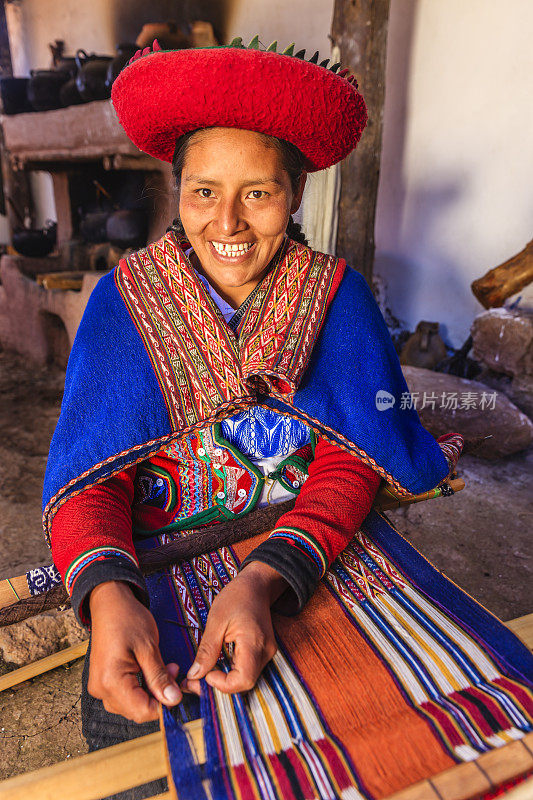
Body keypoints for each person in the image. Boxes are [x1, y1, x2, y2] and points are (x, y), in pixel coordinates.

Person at [42, 37, 454, 794]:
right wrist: (109, 595)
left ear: (295, 193)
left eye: (257, 193)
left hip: (296, 544)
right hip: (154, 563)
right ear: (178, 191)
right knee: (153, 748)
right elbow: (87, 479)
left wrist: (267, 578)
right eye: (203, 192)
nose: (227, 221)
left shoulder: (337, 297)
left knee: (382, 730)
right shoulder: (123, 304)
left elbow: (350, 456)